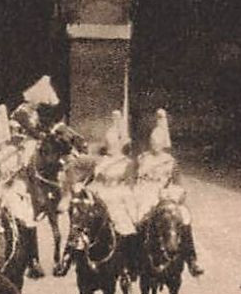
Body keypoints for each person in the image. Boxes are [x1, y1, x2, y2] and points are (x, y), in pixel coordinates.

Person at [133, 109, 202, 276]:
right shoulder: (142, 159)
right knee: (135, 221)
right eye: (152, 141)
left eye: (158, 142)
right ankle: (133, 260)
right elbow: (134, 178)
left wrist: (171, 193)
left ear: (163, 143)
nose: (155, 144)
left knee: (184, 217)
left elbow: (178, 184)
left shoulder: (170, 162)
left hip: (165, 194)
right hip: (143, 193)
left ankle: (191, 259)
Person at [0, 105, 46, 281]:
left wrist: (20, 172)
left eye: (14, 130)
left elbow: (26, 173)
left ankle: (33, 260)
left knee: (28, 219)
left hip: (15, 190)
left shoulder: (19, 152)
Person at [77, 110, 141, 263]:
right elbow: (91, 176)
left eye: (114, 144)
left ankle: (128, 262)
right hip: (100, 189)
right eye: (109, 144)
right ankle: (71, 255)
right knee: (82, 217)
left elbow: (130, 181)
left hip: (118, 191)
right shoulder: (100, 160)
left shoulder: (126, 162)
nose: (111, 147)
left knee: (128, 222)